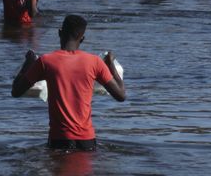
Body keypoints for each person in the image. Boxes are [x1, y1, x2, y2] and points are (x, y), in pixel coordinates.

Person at [10, 15, 126, 151]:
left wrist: (28, 63)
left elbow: (16, 91)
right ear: (82, 39)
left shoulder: (46, 61)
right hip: (87, 140)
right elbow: (121, 95)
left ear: (60, 33)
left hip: (59, 139)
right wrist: (111, 64)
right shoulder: (95, 62)